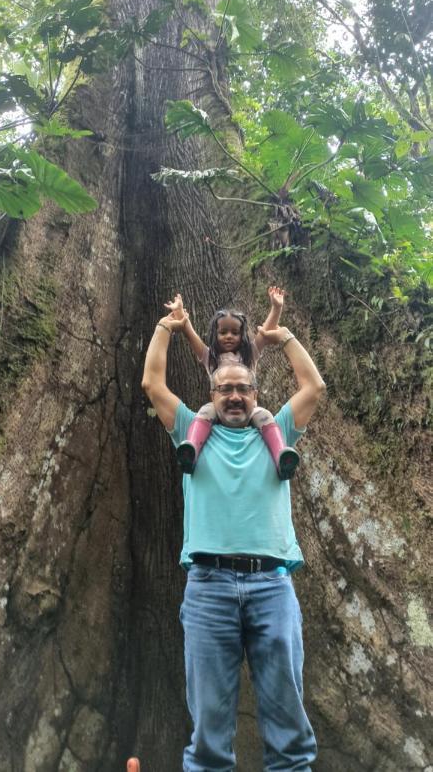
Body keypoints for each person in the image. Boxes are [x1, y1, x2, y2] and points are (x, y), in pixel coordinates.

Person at [141, 302, 326, 772]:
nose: (235, 397)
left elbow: (314, 387)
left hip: (272, 586)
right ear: (212, 393)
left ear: (256, 393)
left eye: (243, 389)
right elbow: (152, 384)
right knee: (209, 733)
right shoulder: (189, 430)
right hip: (208, 588)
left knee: (288, 726)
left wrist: (281, 335)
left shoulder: (279, 431)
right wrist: (167, 327)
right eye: (225, 389)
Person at [164, 288, 300, 480]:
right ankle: (191, 450)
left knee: (265, 415)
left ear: (242, 335)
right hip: (220, 410)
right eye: (223, 332)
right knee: (204, 411)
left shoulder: (249, 354)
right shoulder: (210, 357)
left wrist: (276, 308)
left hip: (247, 409)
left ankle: (281, 457)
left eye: (235, 332)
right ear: (215, 334)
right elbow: (190, 336)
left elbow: (266, 333)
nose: (229, 336)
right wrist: (179, 314)